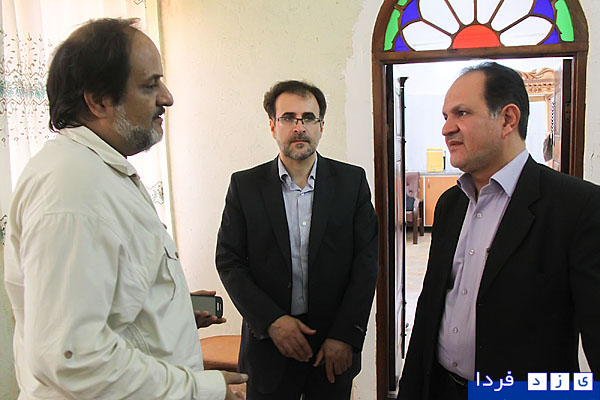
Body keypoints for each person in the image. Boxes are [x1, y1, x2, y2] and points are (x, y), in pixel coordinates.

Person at [4, 18, 246, 400]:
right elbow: (73, 356)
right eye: (150, 85)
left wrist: (168, 311)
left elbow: (110, 306)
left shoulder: (101, 173)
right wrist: (200, 389)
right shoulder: (72, 187)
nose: (167, 97)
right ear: (99, 100)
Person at [397, 62, 600, 400]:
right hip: (441, 387)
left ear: (507, 119)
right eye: (445, 116)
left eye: (461, 113)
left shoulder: (577, 207)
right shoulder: (451, 204)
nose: (446, 128)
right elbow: (431, 304)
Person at [215, 80, 379, 399]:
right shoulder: (245, 187)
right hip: (268, 346)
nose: (299, 127)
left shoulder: (351, 182)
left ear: (321, 126)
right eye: (288, 117)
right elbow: (229, 261)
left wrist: (345, 336)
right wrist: (272, 321)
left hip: (332, 346)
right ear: (273, 125)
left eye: (308, 118)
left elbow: (367, 263)